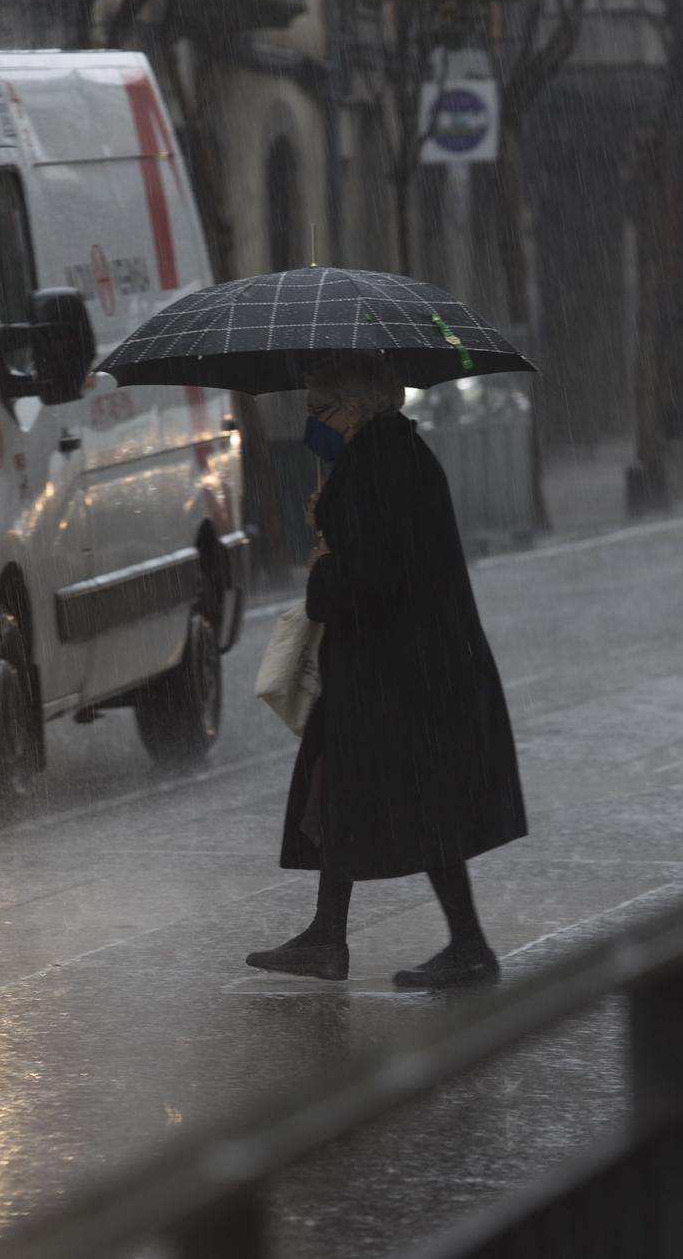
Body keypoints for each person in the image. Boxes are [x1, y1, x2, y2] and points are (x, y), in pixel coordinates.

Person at [246, 351, 528, 988]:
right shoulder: (389, 457)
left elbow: (365, 580)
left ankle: (453, 943)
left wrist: (324, 559)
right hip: (409, 668)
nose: (310, 424)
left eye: (318, 410)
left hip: (399, 673)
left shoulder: (376, 467)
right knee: (357, 791)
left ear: (354, 408)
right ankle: (343, 936)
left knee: (401, 801)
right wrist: (333, 519)